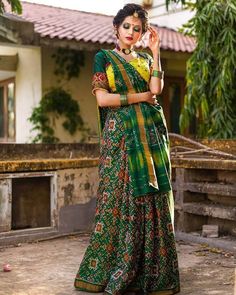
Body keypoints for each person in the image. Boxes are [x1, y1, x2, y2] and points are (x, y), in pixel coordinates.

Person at [74, 3, 180, 294]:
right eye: (127, 27)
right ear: (116, 28)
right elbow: (103, 100)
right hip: (120, 137)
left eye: (138, 29)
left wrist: (156, 52)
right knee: (121, 198)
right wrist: (141, 95)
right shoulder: (103, 58)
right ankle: (117, 267)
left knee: (151, 197)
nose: (132, 32)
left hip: (148, 136)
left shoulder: (145, 60)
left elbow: (157, 90)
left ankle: (151, 270)